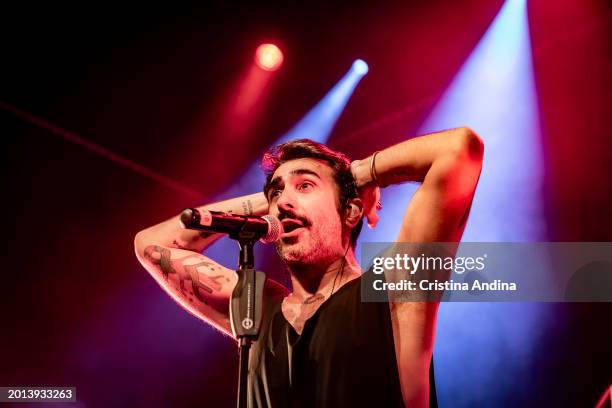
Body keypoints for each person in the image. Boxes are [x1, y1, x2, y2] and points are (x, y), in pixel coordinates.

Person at [134, 127, 484, 407]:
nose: (284, 201)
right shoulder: (257, 309)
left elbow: (458, 149)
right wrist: (273, 201)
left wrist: (356, 175)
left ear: (351, 211)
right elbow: (152, 244)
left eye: (305, 186)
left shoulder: (393, 292)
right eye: (277, 192)